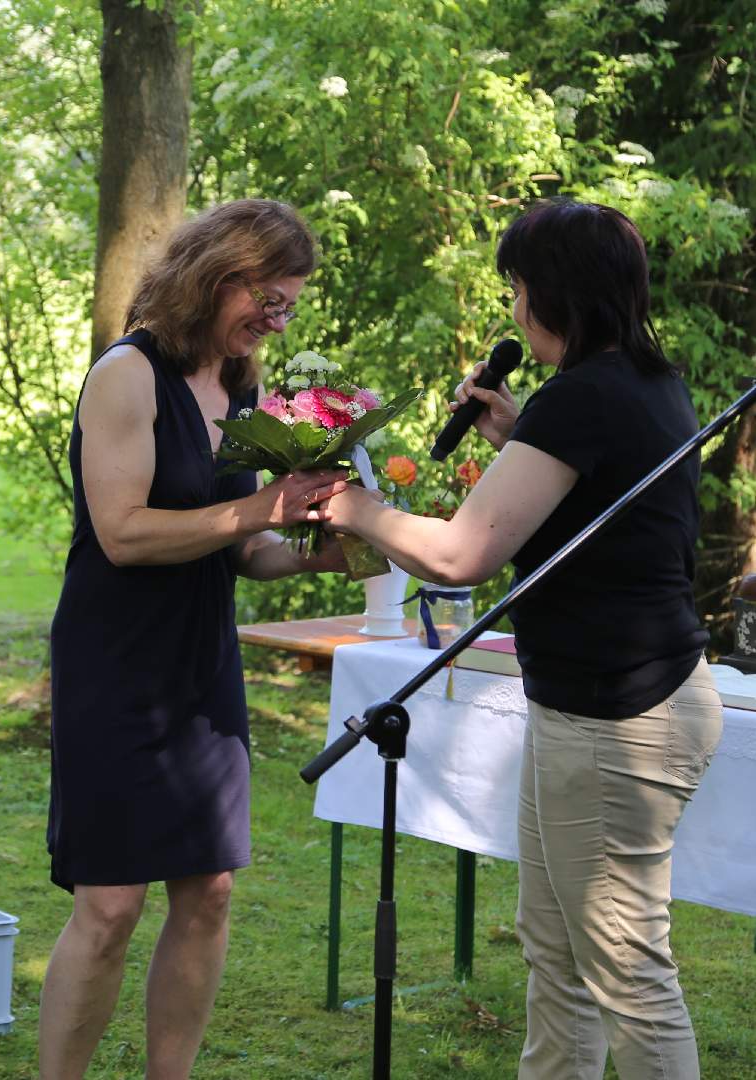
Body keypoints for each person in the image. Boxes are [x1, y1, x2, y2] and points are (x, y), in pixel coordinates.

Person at [316, 198, 719, 1080]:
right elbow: (600, 515)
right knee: (557, 952)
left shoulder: (580, 399)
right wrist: (512, 437)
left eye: (517, 286)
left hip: (619, 718)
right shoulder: (645, 383)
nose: (511, 306)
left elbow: (460, 555)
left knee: (624, 972)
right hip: (605, 706)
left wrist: (355, 509)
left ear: (556, 294)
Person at [40, 200, 348, 1079]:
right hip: (115, 660)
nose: (273, 319)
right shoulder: (126, 376)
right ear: (216, 273)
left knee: (208, 890)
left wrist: (319, 550)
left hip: (199, 659)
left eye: (287, 306)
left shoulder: (241, 384)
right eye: (266, 298)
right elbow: (123, 533)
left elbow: (244, 549)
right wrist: (259, 506)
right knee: (108, 906)